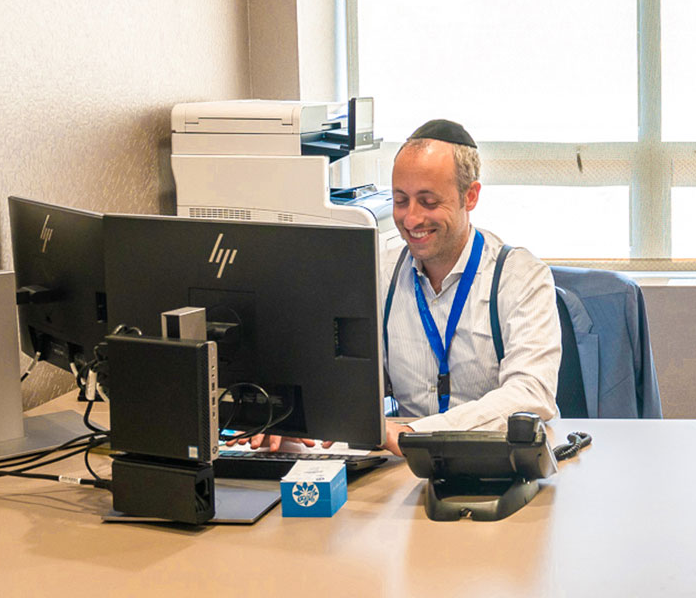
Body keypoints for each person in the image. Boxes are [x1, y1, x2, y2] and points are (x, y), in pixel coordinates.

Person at [237, 118, 561, 457]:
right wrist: (290, 416)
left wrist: (415, 432)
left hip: (500, 459)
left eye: (429, 202)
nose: (411, 219)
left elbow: (530, 392)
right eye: (401, 200)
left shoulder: (520, 276)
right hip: (409, 466)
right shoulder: (380, 273)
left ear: (471, 196)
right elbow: (347, 377)